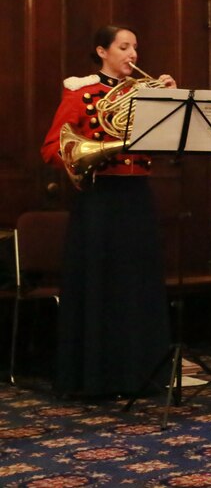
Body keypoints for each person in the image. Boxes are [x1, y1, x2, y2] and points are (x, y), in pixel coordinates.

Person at [41, 25, 175, 397]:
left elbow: (165, 143)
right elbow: (53, 147)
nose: (132, 54)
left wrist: (171, 104)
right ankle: (98, 378)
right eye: (124, 47)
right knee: (103, 286)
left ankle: (142, 375)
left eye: (135, 47)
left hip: (137, 195)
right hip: (100, 198)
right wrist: (92, 153)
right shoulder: (81, 92)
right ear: (102, 51)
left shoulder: (145, 94)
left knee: (138, 285)